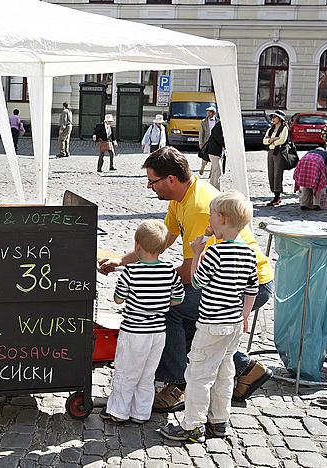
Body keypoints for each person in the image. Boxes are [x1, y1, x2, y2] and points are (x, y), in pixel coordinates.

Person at [98, 147, 275, 413]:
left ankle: (177, 383)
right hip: (223, 278)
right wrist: (122, 262)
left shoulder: (199, 208)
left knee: (168, 308)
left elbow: (192, 269)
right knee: (190, 316)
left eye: (152, 180)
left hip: (249, 283)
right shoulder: (180, 198)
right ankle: (246, 368)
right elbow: (158, 243)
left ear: (171, 179)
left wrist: (150, 280)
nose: (149, 187)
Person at [160, 191, 259, 443]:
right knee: (225, 372)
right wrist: (245, 315)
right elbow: (252, 288)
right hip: (234, 322)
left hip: (212, 323)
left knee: (198, 374)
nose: (209, 219)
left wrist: (197, 253)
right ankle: (219, 421)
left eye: (212, 215)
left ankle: (192, 425)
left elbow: (197, 281)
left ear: (222, 219)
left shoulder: (214, 253)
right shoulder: (248, 253)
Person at [100, 220, 184, 425]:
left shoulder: (130, 272)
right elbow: (178, 298)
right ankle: (141, 412)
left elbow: (118, 299)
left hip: (135, 331)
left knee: (126, 371)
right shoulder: (169, 272)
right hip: (157, 332)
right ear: (163, 248)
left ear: (137, 245)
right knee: (148, 374)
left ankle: (118, 411)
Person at [263, 110, 289, 206]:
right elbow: (264, 141)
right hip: (271, 152)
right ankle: (275, 193)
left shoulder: (284, 128)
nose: (273, 119)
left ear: (280, 119)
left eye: (275, 117)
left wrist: (272, 141)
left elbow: (282, 140)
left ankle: (277, 196)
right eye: (272, 117)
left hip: (278, 152)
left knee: (277, 174)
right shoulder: (270, 129)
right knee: (271, 173)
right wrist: (272, 139)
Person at [293, 146, 327, 211]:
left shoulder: (310, 152)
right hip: (316, 164)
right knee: (317, 186)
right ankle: (316, 204)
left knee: (306, 184)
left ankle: (304, 204)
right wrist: (324, 180)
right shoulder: (326, 155)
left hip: (304, 163)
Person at [198, 106, 217, 175]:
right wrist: (200, 143)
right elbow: (201, 133)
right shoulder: (203, 122)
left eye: (209, 112)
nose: (208, 113)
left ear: (213, 113)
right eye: (207, 112)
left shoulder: (218, 121)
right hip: (207, 142)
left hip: (215, 143)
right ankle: (202, 168)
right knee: (205, 158)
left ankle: (211, 173)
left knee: (214, 158)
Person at [207, 118, 225, 190]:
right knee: (218, 171)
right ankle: (216, 189)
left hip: (214, 151)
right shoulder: (220, 125)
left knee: (215, 171)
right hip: (214, 152)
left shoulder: (218, 125)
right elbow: (219, 138)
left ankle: (211, 188)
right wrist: (226, 144)